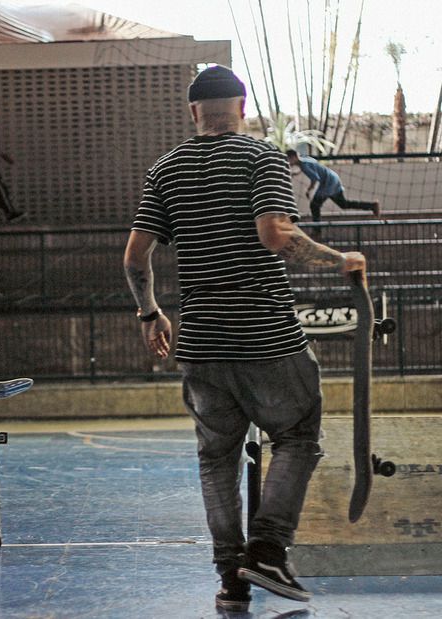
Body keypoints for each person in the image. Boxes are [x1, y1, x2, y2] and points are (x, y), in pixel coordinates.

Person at [123, 65, 367, 613]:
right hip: (266, 336)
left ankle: (231, 577)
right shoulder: (262, 158)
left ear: (193, 112)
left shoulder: (166, 169)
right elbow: (274, 233)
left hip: (203, 345)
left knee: (216, 460)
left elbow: (136, 257)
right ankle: (268, 549)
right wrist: (340, 259)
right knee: (298, 436)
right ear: (243, 106)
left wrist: (150, 314)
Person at [286, 149, 381, 222]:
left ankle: (317, 231)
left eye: (288, 159)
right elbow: (312, 167)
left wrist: (309, 190)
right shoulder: (304, 159)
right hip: (334, 178)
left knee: (314, 205)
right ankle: (372, 205)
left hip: (328, 183)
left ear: (294, 157)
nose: (288, 162)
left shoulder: (304, 166)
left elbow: (315, 178)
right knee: (343, 204)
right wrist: (296, 173)